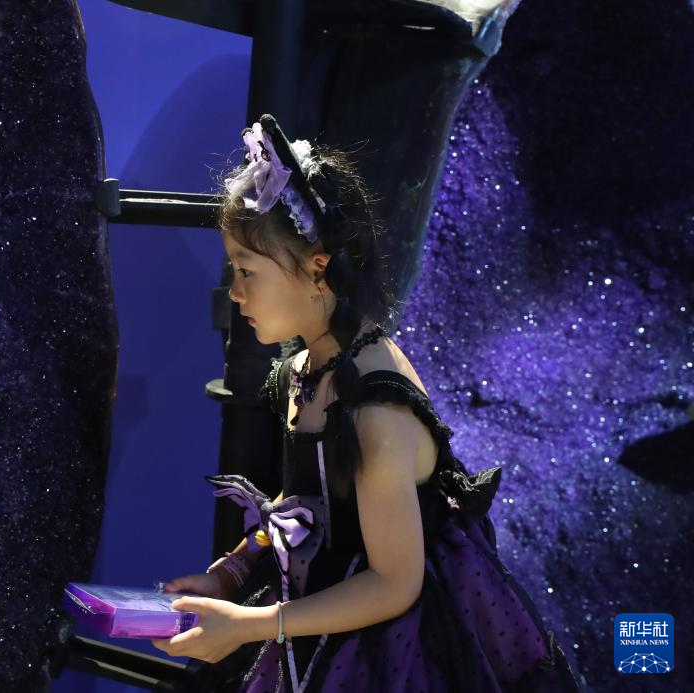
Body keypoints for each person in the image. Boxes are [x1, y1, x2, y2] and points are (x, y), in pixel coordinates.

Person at [151, 114, 581, 692]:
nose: (235, 291)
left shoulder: (376, 413)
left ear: (318, 271)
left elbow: (394, 583)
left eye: (247, 270)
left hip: (395, 649)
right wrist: (234, 572)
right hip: (321, 613)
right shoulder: (307, 370)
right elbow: (305, 504)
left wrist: (252, 625)